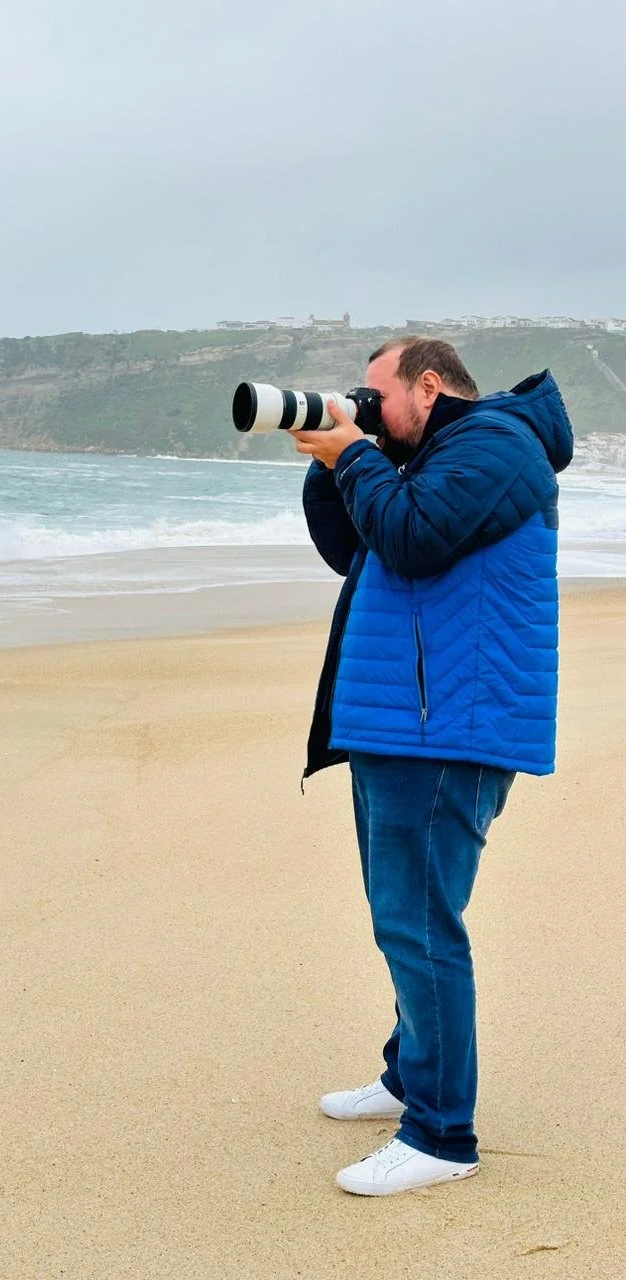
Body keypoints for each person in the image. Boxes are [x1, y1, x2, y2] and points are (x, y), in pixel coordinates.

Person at [291, 337, 574, 1196]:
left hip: (450, 730)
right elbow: (357, 546)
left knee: (420, 925)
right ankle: (410, 1077)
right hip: (404, 724)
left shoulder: (496, 444)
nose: (370, 409)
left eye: (379, 397)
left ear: (430, 383)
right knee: (402, 918)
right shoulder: (431, 458)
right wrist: (336, 456)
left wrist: (355, 454)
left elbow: (411, 540)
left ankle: (442, 1136)